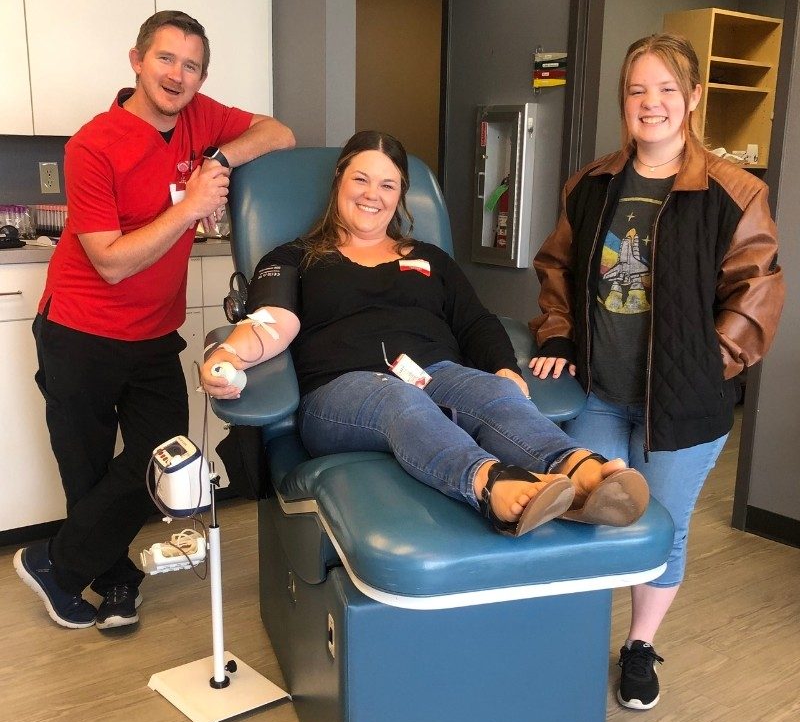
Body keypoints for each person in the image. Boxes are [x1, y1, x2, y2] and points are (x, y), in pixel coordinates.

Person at [200, 130, 649, 546]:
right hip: (342, 393)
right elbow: (271, 321)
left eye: (387, 185)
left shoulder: (430, 259)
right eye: (361, 178)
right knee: (400, 399)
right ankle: (490, 484)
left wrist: (504, 370)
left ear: (400, 196)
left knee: (492, 392)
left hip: (435, 376)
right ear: (339, 180)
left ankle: (577, 474)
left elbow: (475, 321)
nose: (372, 194)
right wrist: (228, 354)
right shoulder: (294, 256)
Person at [14, 10, 295, 631]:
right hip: (80, 332)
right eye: (166, 59)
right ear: (137, 60)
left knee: (161, 459)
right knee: (88, 473)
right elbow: (110, 262)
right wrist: (193, 203)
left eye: (191, 65)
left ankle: (54, 565)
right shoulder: (92, 145)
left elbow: (279, 133)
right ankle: (115, 582)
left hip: (151, 335)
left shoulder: (199, 118)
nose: (178, 75)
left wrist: (218, 156)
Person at [529, 33, 784, 710]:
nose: (652, 103)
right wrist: (556, 330)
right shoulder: (593, 185)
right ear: (624, 101)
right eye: (638, 90)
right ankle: (569, 644)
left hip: (683, 406)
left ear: (694, 97)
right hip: (600, 395)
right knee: (584, 509)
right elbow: (555, 267)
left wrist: (708, 367)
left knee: (659, 531)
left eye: (667, 88)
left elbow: (756, 293)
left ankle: (638, 647)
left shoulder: (735, 192)